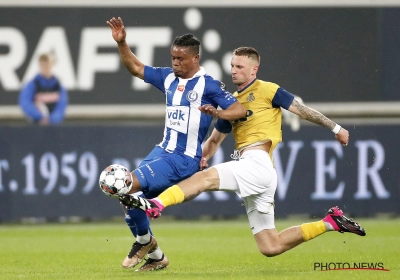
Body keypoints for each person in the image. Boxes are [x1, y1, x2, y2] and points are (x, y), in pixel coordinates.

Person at [119, 47, 366, 260]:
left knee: (204, 181)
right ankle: (330, 222)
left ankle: (156, 204)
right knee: (271, 246)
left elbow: (302, 110)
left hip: (257, 164)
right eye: (232, 65)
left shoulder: (268, 90)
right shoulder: (232, 103)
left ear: (254, 69)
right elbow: (214, 141)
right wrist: (201, 157)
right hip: (259, 172)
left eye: (239, 66)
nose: (234, 70)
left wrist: (335, 127)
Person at [106, 17, 246, 271]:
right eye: (173, 57)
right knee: (127, 198)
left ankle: (143, 242)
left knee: (126, 185)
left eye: (180, 59)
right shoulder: (168, 78)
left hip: (183, 159)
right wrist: (122, 43)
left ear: (195, 59)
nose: (175, 63)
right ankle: (156, 254)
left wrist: (217, 114)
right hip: (162, 150)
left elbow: (239, 110)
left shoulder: (209, 85)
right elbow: (136, 68)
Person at [19, 53, 68, 125]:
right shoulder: (33, 84)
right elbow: (25, 103)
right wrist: (40, 117)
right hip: (36, 125)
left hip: (54, 126)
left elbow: (62, 106)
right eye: (42, 65)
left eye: (47, 65)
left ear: (52, 65)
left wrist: (51, 119)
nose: (45, 68)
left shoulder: (58, 85)